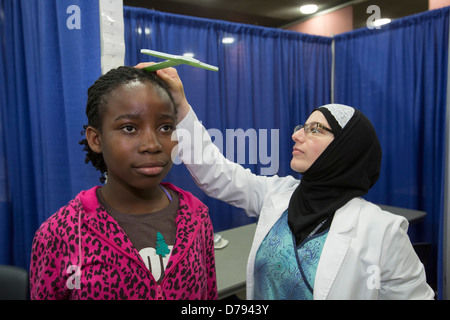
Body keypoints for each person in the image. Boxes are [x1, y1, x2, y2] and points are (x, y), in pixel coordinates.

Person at [143, 64, 435, 300]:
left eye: (315, 130)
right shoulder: (278, 194)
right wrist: (180, 105)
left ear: (345, 148)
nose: (297, 135)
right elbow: (215, 173)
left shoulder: (383, 231)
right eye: (301, 127)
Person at [29, 66, 217, 300]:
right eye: (129, 128)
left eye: (165, 127)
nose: (152, 144)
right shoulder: (60, 233)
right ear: (96, 139)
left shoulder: (196, 216)